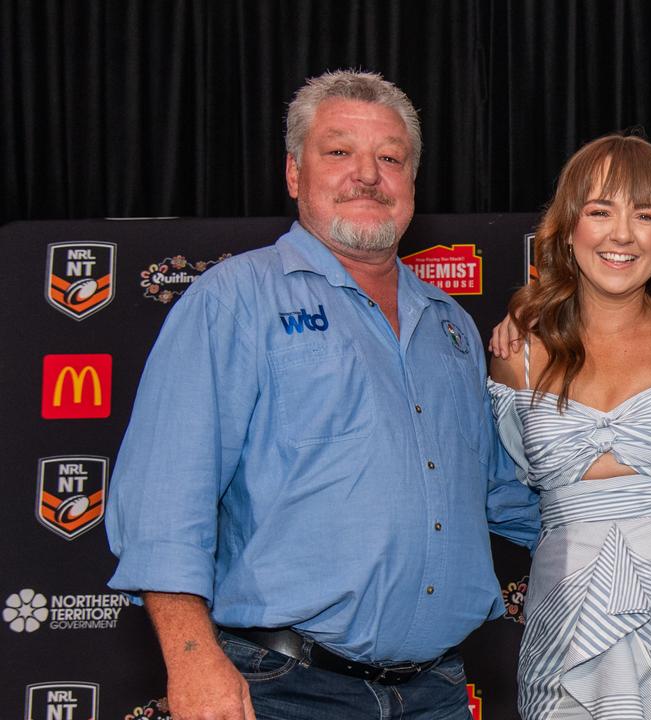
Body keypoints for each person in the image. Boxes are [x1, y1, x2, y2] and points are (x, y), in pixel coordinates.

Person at [105, 70, 540, 720]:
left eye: (390, 158)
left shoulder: (448, 324)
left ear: (412, 182)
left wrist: (633, 518)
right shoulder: (235, 300)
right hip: (283, 690)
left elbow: (496, 491)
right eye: (339, 152)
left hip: (439, 692)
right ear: (293, 173)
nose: (367, 175)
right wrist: (191, 658)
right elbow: (165, 500)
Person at [486, 133, 651, 719]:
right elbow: (504, 485)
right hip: (566, 608)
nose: (622, 234)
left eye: (645, 214)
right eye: (600, 211)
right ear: (568, 227)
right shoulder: (518, 355)